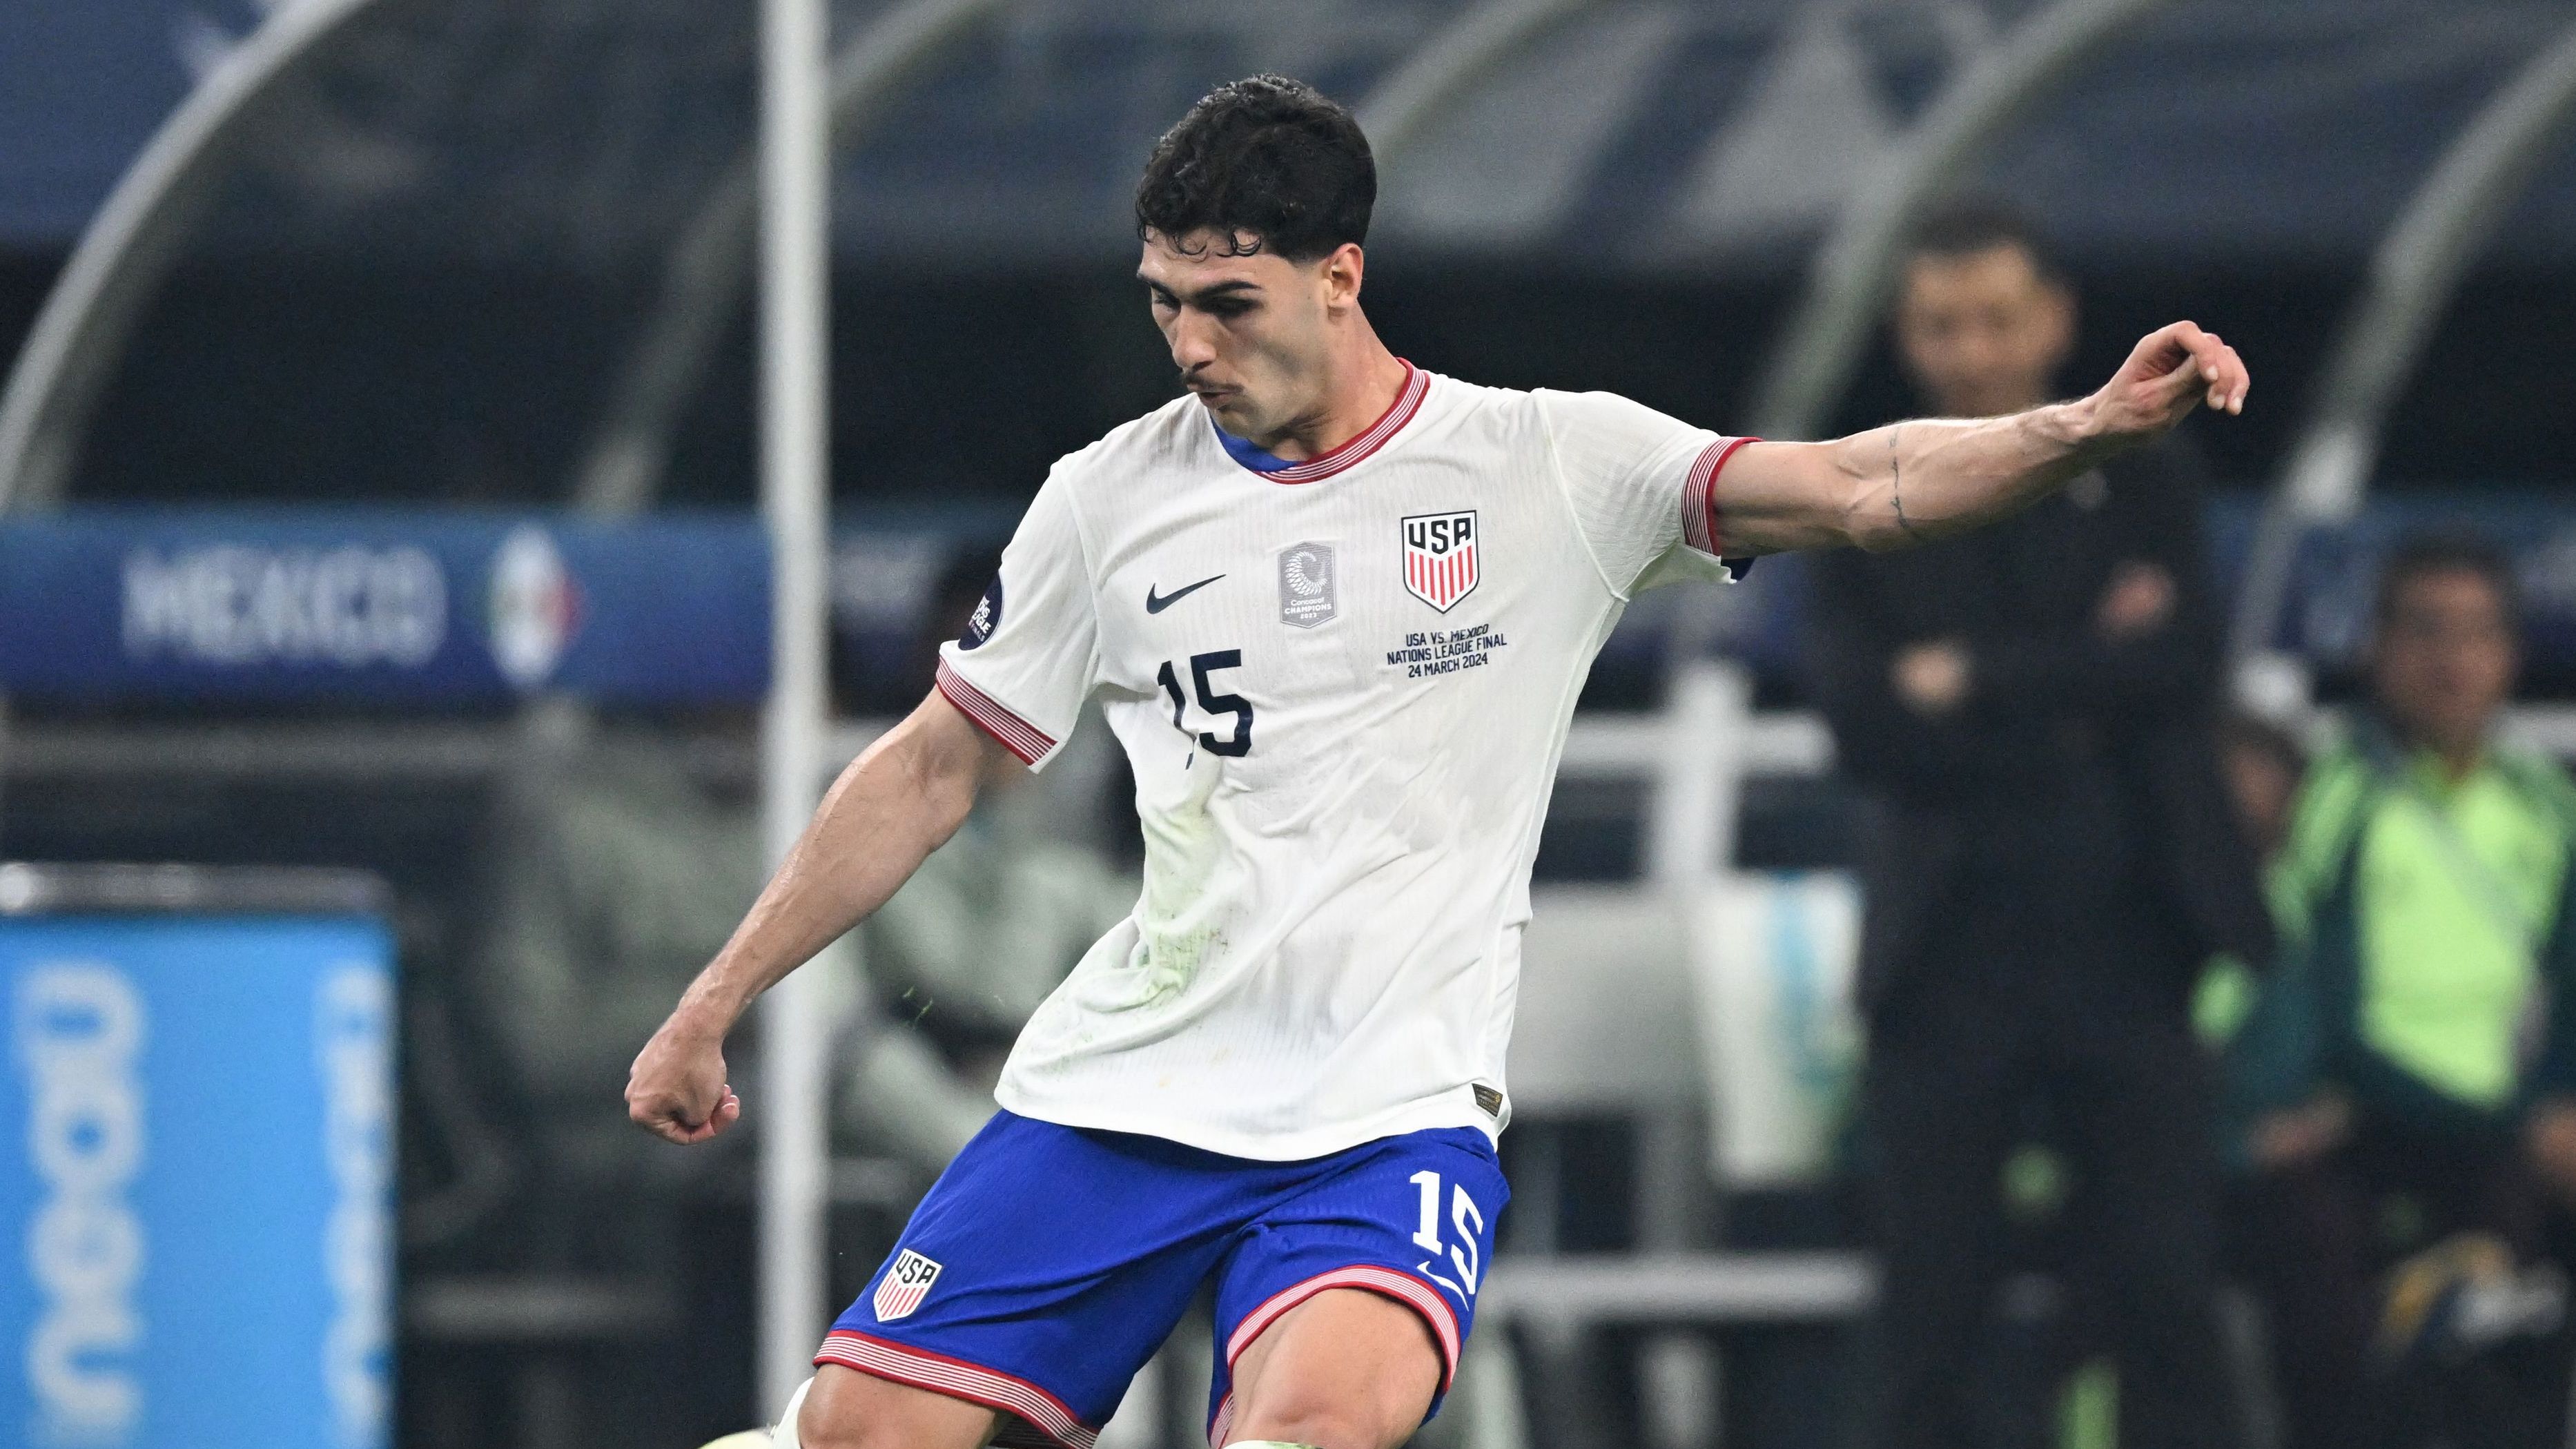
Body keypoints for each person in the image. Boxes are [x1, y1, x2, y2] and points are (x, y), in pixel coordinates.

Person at [623, 78, 2249, 1449]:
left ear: (1341, 275)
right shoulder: (1108, 500)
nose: (1189, 344)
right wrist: (714, 1000)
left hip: (1383, 1115)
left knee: (1310, 1438)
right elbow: (930, 768)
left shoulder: (1548, 465)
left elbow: (1858, 485)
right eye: (1164, 301)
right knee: (857, 1439)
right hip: (1121, 1094)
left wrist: (2076, 431)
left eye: (1228, 304)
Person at [1804, 202, 2274, 1449]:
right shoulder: (1861, 484)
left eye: (1998, 319)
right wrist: (2079, 681)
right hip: (1946, 953)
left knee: (2166, 1287)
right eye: (1942, 324)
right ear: (1904, 335)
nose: (1972, 351)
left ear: (2057, 320)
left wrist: (1970, 675)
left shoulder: (2147, 467)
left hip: (2132, 936)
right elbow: (1864, 723)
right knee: (1930, 1298)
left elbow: (2183, 665)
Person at [2234, 534, 2576, 1449]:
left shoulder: (2548, 805)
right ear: (2377, 649)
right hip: (2369, 1122)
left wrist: (2554, 1101)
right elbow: (2300, 978)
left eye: (2476, 633)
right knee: (2318, 1257)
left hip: (2515, 1129)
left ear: (2511, 653)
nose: (2451, 660)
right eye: (2426, 630)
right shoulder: (2336, 796)